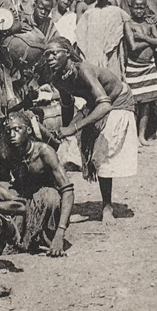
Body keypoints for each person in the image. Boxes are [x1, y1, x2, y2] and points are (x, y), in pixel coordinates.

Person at [46, 37, 137, 226]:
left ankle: (107, 207)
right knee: (69, 151)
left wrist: (74, 127)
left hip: (117, 101)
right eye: (47, 54)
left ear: (68, 53)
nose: (50, 58)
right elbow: (67, 105)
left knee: (101, 153)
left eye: (54, 53)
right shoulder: (57, 78)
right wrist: (66, 132)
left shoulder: (83, 70)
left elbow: (105, 105)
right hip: (96, 103)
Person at [0, 113, 74, 256]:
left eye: (17, 129)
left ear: (28, 130)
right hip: (22, 195)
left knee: (50, 197)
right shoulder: (7, 153)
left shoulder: (44, 152)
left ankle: (47, 237)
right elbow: (4, 181)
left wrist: (60, 232)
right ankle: (19, 237)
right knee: (7, 197)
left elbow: (68, 190)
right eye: (8, 131)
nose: (12, 135)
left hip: (45, 200)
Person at [124, 0, 157, 143]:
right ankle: (132, 136)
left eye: (142, 7)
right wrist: (151, 42)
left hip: (149, 67)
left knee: (146, 103)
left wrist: (145, 38)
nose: (139, 10)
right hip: (134, 67)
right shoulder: (129, 24)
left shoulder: (149, 24)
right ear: (131, 8)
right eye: (136, 7)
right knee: (133, 103)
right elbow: (132, 47)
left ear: (146, 8)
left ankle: (141, 135)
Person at [75, 0, 130, 76]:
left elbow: (128, 23)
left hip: (111, 53)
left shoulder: (116, 11)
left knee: (112, 77)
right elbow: (80, 34)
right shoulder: (89, 13)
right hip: (93, 51)